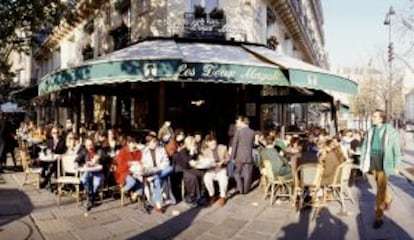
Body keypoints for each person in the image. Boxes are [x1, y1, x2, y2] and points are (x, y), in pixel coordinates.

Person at [359, 109, 401, 229]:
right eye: (373, 116)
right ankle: (389, 198)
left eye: (375, 116)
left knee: (380, 189)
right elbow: (364, 147)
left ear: (382, 118)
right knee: (379, 185)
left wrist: (397, 165)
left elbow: (396, 149)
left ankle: (378, 216)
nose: (373, 118)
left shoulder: (390, 131)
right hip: (373, 160)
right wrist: (363, 161)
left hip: (384, 161)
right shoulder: (370, 130)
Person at [230, 116, 255, 194]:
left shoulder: (238, 132)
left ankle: (240, 187)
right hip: (248, 155)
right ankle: (246, 190)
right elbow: (252, 144)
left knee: (236, 172)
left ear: (243, 122)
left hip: (239, 156)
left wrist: (232, 157)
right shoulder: (252, 132)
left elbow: (234, 145)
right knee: (248, 173)